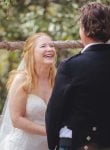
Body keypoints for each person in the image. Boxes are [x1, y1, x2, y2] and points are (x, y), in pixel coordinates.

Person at [46, 2, 110, 150]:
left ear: (84, 30)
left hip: (76, 143)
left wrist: (53, 145)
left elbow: (54, 112)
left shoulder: (71, 66)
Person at [0, 32, 57, 150]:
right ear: (31, 52)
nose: (50, 49)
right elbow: (16, 119)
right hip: (22, 145)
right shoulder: (22, 80)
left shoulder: (57, 80)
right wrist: (48, 132)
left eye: (52, 45)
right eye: (43, 46)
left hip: (48, 146)